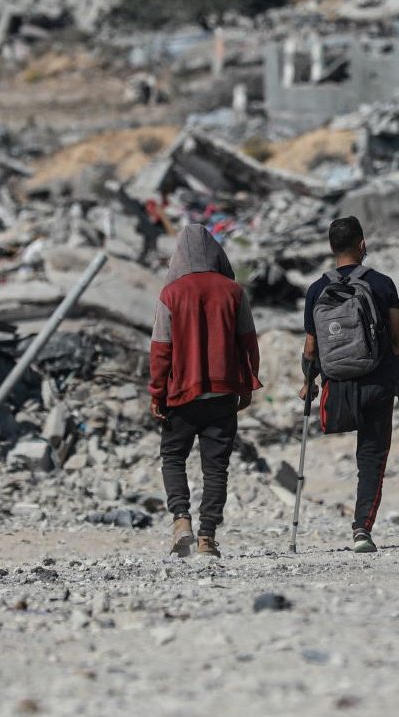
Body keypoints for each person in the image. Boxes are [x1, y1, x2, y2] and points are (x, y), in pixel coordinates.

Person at [149, 224, 259, 560]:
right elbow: (248, 341)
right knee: (216, 468)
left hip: (181, 393)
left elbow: (161, 348)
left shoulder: (171, 294)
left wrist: (157, 392)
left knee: (172, 457)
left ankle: (181, 520)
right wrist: (248, 382)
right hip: (223, 393)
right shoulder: (233, 291)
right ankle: (207, 537)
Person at [301, 216, 399, 554]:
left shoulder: (317, 290)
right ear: (362, 244)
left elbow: (310, 348)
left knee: (360, 452)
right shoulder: (383, 284)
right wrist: (397, 372)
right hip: (376, 383)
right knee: (372, 457)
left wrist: (309, 383)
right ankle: (362, 527)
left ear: (332, 249)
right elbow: (396, 340)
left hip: (337, 391)